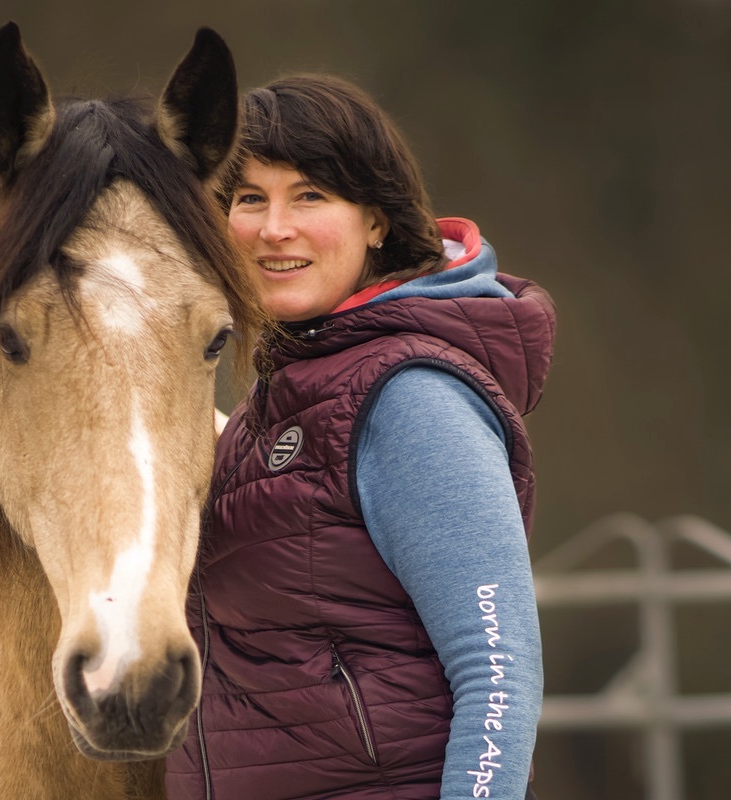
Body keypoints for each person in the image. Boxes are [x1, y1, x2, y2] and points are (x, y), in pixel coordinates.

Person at [164, 74, 554, 800]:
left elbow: (499, 665)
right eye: (250, 198)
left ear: (376, 220)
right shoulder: (282, 397)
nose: (274, 227)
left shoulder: (409, 398)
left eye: (310, 194)